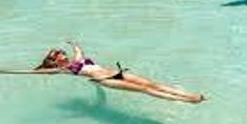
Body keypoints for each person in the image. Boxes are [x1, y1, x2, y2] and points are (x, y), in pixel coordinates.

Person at [34, 41, 205, 104]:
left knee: (153, 84)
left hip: (117, 72)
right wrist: (39, 70)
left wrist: (73, 44)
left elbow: (79, 51)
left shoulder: (76, 60)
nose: (61, 53)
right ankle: (188, 100)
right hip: (105, 79)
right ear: (55, 61)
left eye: (61, 52)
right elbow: (47, 71)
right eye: (57, 54)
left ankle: (188, 94)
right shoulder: (65, 69)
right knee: (146, 90)